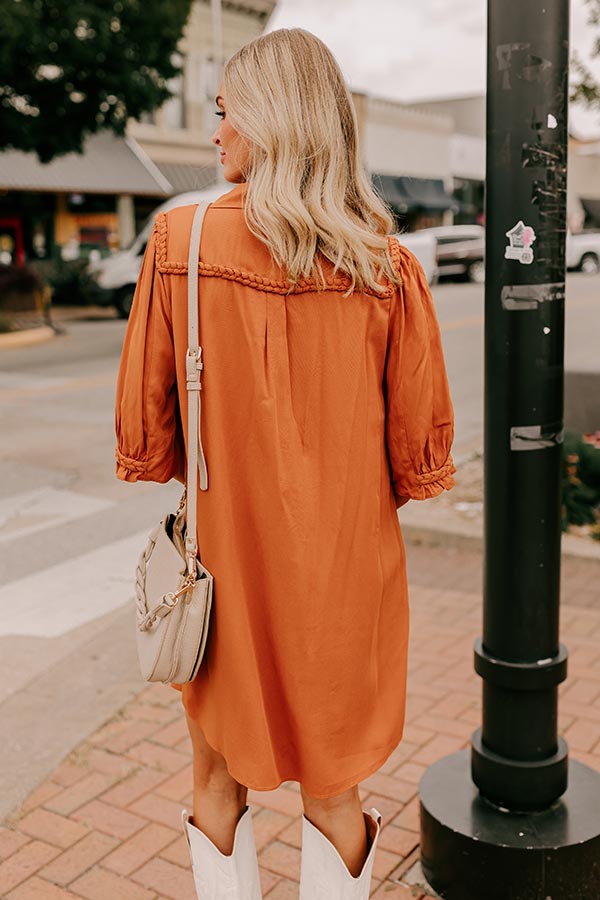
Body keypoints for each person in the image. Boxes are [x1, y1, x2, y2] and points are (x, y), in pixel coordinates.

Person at [115, 27, 455, 900]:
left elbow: (151, 439)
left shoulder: (181, 243)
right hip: (346, 581)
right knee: (337, 797)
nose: (215, 132)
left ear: (271, 119)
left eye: (227, 112)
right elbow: (416, 461)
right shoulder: (385, 265)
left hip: (227, 572)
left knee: (215, 782)